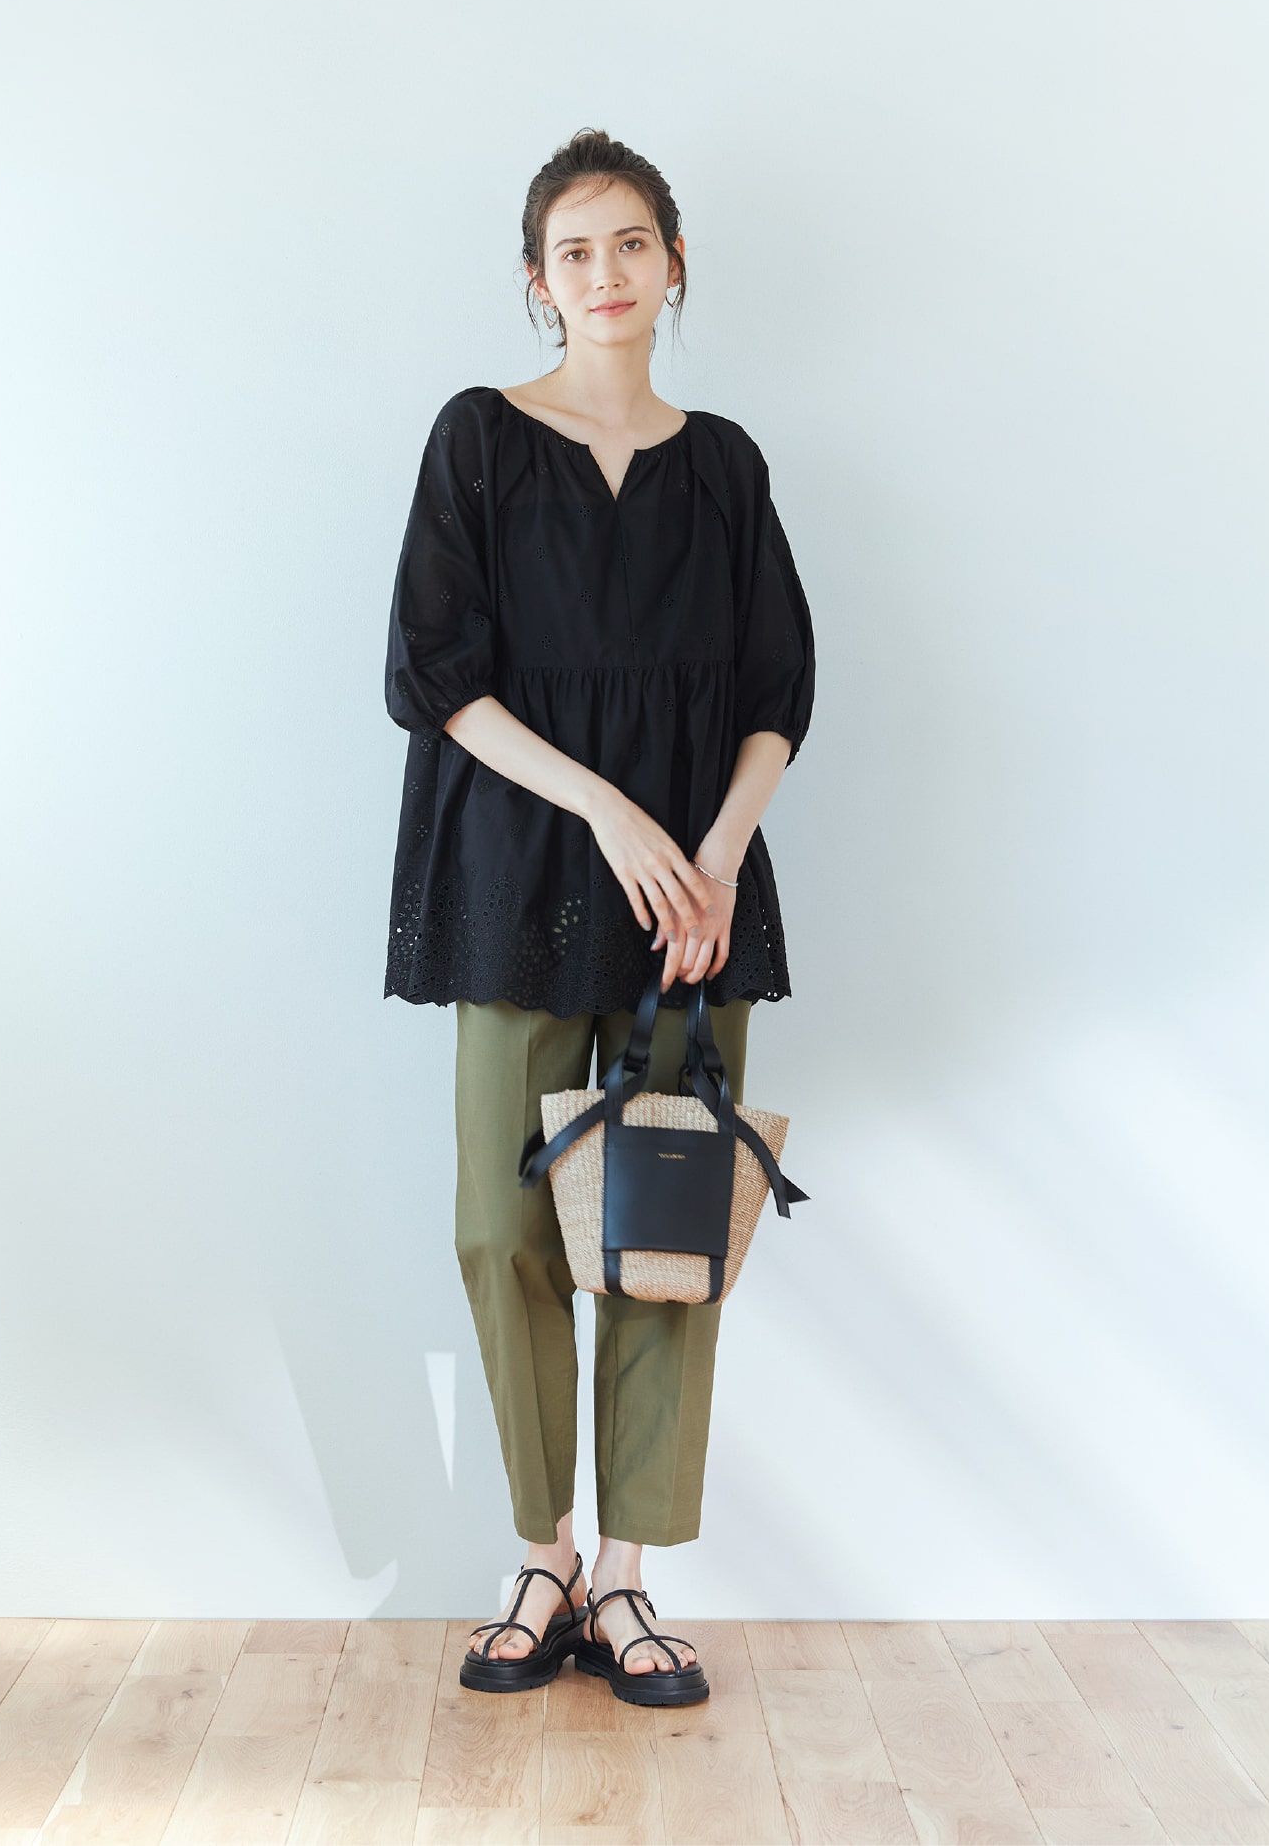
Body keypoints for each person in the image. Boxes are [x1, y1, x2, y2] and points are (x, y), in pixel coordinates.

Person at [382, 127, 815, 1707]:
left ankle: (626, 1576)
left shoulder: (726, 466)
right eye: (574, 249)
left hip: (690, 903)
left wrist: (714, 853)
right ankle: (542, 1554)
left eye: (631, 242)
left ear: (673, 263)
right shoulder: (479, 441)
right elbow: (434, 675)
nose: (605, 271)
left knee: (661, 1231)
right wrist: (612, 813)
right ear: (536, 279)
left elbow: (777, 689)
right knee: (499, 1227)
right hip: (517, 878)